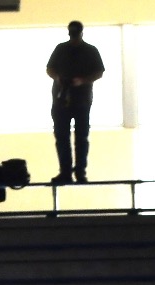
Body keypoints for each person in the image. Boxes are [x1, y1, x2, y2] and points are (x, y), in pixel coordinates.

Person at [45, 20, 105, 184]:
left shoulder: (90, 50)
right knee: (63, 137)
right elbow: (50, 69)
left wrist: (82, 81)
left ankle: (79, 172)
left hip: (81, 101)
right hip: (61, 99)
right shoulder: (61, 49)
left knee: (81, 138)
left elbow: (99, 72)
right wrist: (59, 79)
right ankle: (66, 172)